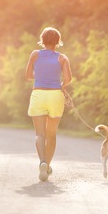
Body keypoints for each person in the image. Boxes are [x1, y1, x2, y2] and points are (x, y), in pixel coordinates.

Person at [25, 27, 72, 181]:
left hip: (38, 94)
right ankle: (48, 165)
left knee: (40, 134)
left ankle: (42, 162)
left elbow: (28, 75)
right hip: (55, 95)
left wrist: (39, 76)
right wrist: (61, 86)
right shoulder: (62, 58)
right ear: (58, 42)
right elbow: (67, 78)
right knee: (51, 135)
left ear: (42, 40)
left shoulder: (35, 54)